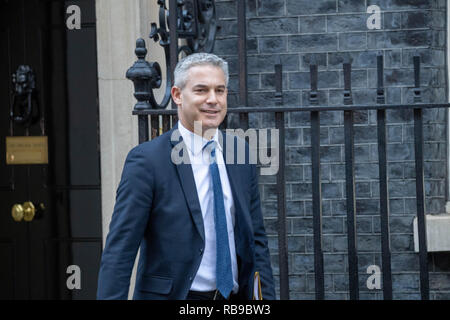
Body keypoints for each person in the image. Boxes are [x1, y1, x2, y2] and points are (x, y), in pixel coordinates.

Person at [97, 53, 275, 300]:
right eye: (201, 90)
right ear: (178, 95)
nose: (213, 100)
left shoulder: (240, 153)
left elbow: (256, 241)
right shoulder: (147, 161)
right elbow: (121, 250)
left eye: (220, 91)